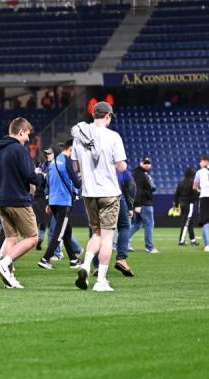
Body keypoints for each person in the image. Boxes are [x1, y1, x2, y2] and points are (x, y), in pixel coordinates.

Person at [70, 101, 128, 292]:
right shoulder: (113, 136)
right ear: (108, 116)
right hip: (109, 193)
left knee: (96, 232)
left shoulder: (79, 137)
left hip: (89, 193)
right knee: (108, 236)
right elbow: (122, 166)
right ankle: (101, 280)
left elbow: (76, 168)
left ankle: (86, 265)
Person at [0, 117, 42, 289]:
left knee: (11, 237)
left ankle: (10, 277)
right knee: (33, 238)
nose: (28, 138)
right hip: (17, 200)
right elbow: (30, 176)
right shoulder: (19, 150)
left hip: (1, 201)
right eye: (27, 134)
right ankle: (4, 263)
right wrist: (42, 177)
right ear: (20, 132)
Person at [37, 139, 81, 270]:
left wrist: (48, 202)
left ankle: (73, 259)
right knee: (59, 232)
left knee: (67, 230)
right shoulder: (67, 161)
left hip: (53, 201)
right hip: (64, 201)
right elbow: (77, 183)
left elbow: (48, 184)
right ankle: (45, 259)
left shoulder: (53, 162)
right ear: (71, 149)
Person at [130, 157, 157, 253]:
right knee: (149, 224)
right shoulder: (139, 174)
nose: (147, 164)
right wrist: (136, 204)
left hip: (142, 202)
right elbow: (137, 190)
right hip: (144, 203)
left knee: (137, 224)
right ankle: (149, 247)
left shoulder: (142, 173)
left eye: (148, 163)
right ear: (140, 163)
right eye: (145, 163)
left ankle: (122, 243)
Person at [33, 148, 54, 250]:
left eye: (49, 153)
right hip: (40, 195)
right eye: (46, 154)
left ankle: (41, 239)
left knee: (51, 222)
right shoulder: (42, 165)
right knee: (43, 219)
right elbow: (37, 181)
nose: (47, 155)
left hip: (50, 196)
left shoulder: (55, 165)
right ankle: (40, 238)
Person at [174, 166, 199, 246]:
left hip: (182, 204)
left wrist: (177, 204)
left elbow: (176, 194)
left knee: (189, 222)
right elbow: (196, 193)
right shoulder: (193, 182)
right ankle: (181, 241)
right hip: (189, 204)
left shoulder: (181, 182)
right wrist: (197, 201)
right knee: (186, 222)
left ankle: (193, 240)